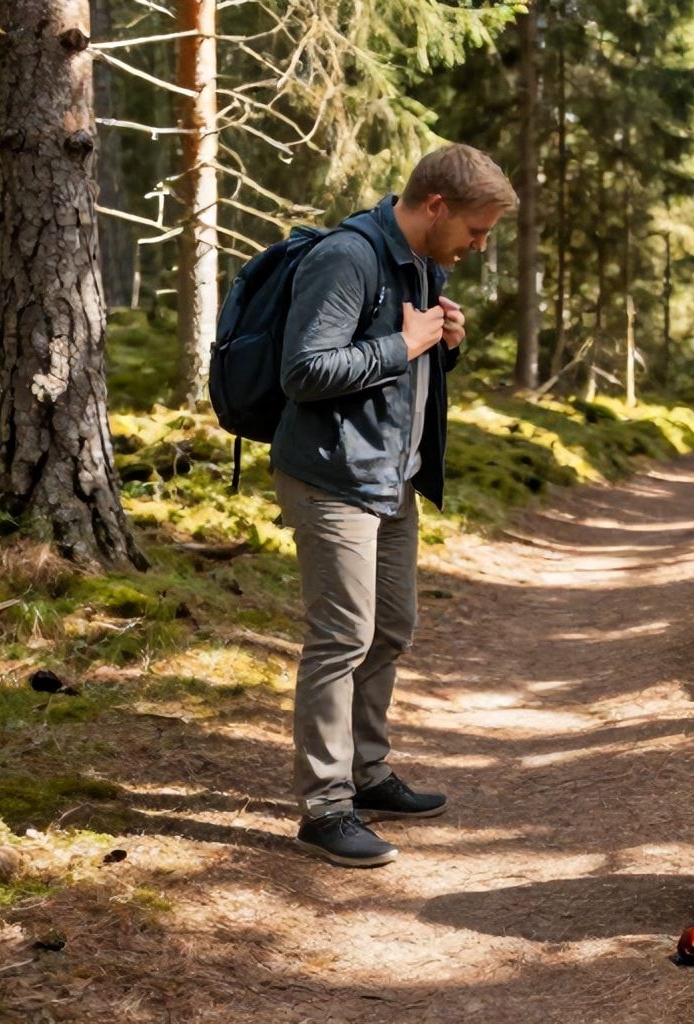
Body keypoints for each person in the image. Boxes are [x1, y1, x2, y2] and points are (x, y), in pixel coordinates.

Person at [273, 144, 516, 866]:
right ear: (435, 206)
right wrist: (401, 346)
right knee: (342, 637)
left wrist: (441, 349)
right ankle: (323, 806)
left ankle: (366, 772)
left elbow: (400, 375)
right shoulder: (347, 257)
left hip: (390, 479)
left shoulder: (422, 265)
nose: (480, 244)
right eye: (476, 229)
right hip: (333, 478)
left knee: (391, 629)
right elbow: (304, 370)